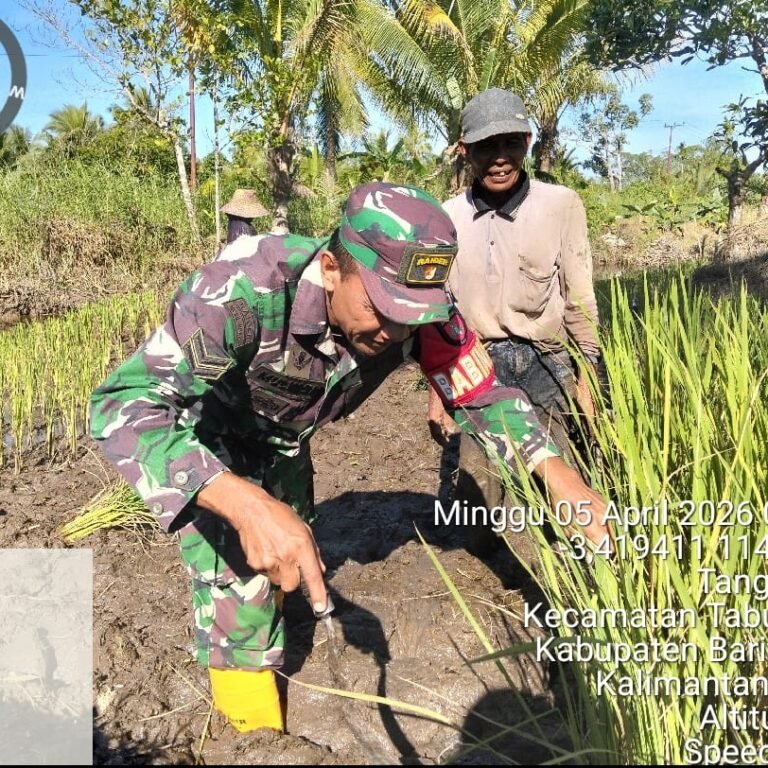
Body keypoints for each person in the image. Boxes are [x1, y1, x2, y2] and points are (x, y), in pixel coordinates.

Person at [90, 182, 609, 735]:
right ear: (332, 268)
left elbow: (480, 393)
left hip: (287, 442)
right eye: (381, 309)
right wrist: (244, 504)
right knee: (241, 598)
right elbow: (122, 407)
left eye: (412, 316)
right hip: (211, 447)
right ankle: (253, 736)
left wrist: (557, 474)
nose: (395, 332)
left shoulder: (419, 312)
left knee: (288, 556)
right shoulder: (240, 292)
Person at [427, 88, 604, 556]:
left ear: (527, 142)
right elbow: (439, 311)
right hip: (476, 366)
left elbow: (579, 299)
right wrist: (436, 393)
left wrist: (588, 374)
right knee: (474, 512)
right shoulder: (447, 217)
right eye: (486, 146)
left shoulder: (561, 205)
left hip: (546, 361)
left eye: (510, 142)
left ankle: (571, 571)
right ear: (465, 151)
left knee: (564, 489)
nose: (500, 158)